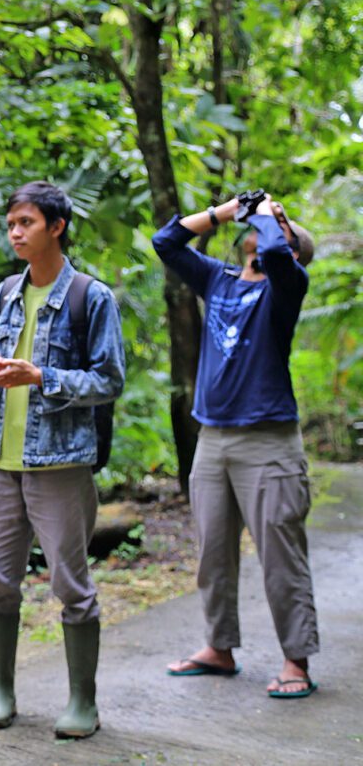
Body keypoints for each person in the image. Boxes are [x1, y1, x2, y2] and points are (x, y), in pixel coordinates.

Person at [0, 181, 125, 739]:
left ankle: (83, 702)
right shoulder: (5, 294)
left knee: (71, 586)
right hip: (0, 462)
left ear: (56, 227)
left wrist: (42, 376)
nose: (15, 233)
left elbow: (109, 379)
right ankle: (1, 692)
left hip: (60, 465)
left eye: (26, 223)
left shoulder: (91, 296)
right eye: (11, 224)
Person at [155, 195, 320, 699]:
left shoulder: (286, 286)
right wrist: (226, 210)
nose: (265, 229)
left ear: (291, 247)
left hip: (267, 441)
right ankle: (219, 647)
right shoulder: (219, 280)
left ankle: (296, 660)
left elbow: (275, 256)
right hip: (213, 439)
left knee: (279, 554)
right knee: (212, 551)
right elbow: (167, 242)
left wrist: (272, 216)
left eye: (279, 227)